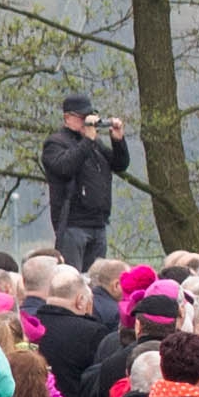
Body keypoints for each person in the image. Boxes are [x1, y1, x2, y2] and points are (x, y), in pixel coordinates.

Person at [41, 96, 130, 268]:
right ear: (67, 118)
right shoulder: (55, 143)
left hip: (98, 223)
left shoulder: (94, 143)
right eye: (82, 118)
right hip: (73, 224)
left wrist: (118, 141)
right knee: (71, 277)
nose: (87, 123)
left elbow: (119, 165)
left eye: (89, 118)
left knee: (96, 280)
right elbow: (65, 167)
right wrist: (88, 140)